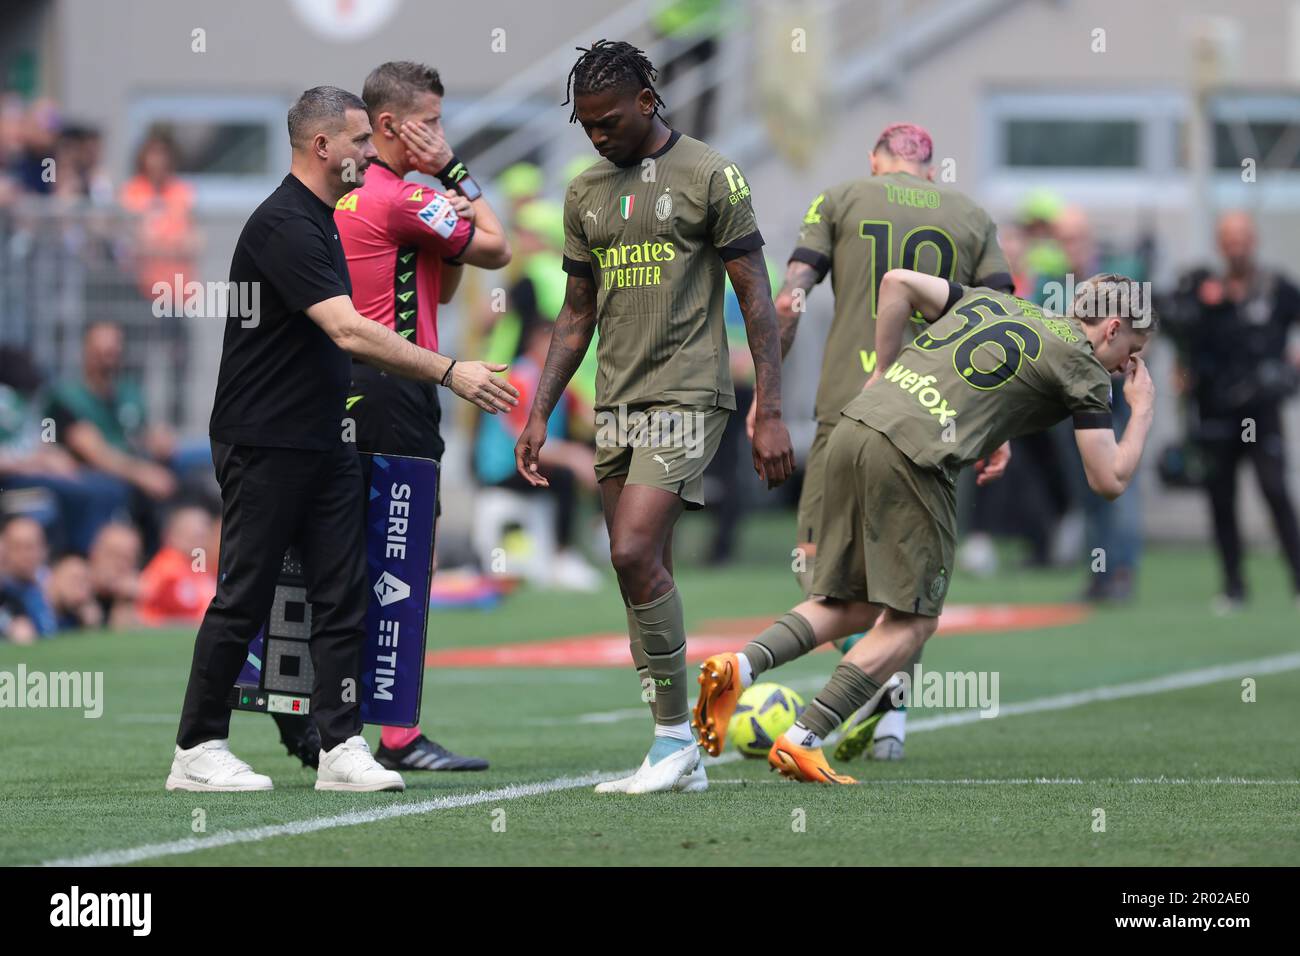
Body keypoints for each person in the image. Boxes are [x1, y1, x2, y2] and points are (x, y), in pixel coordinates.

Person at [167, 86, 518, 795]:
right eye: (358, 141)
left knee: (342, 592)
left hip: (322, 439)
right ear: (321, 146)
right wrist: (453, 371)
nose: (368, 152)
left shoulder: (323, 218)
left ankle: (341, 748)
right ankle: (197, 749)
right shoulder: (285, 224)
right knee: (245, 594)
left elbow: (440, 282)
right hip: (263, 440)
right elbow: (350, 330)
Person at [694, 270, 1156, 783]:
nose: (1127, 369)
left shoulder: (1001, 304)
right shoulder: (1085, 366)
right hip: (914, 455)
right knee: (913, 623)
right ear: (1112, 328)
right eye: (1132, 354)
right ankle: (804, 738)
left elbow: (894, 283)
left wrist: (883, 373)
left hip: (858, 425)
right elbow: (1108, 478)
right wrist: (1142, 412)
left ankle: (741, 666)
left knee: (849, 604)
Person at [516, 40, 794, 795]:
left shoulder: (711, 174)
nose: (597, 135)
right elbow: (575, 316)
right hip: (615, 400)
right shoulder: (583, 194)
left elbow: (756, 299)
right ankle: (676, 749)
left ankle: (676, 740)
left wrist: (770, 407)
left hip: (688, 394)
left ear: (647, 100)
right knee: (642, 573)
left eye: (607, 121)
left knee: (632, 551)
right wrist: (538, 413)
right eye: (585, 126)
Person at [766, 121, 1012, 761]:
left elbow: (791, 298)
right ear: (930, 169)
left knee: (816, 566)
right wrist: (998, 425)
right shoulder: (972, 215)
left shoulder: (841, 197)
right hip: (939, 417)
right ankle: (893, 715)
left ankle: (862, 684)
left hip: (851, 406)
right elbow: (1007, 326)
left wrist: (766, 396)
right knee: (911, 582)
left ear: (876, 162)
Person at [327, 59, 510, 772]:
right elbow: (497, 247)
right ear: (388, 125)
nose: (439, 134)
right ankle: (398, 736)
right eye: (429, 123)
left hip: (339, 387)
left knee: (345, 556)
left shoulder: (343, 195)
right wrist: (458, 175)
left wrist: (445, 217)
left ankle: (325, 726)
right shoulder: (401, 195)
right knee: (401, 557)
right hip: (398, 390)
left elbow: (441, 275)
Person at [1170, 211, 1300, 610]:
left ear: (1254, 239)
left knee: (1275, 492)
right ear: (1220, 243)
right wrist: (1183, 370)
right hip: (1215, 413)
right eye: (1228, 237)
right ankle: (1233, 586)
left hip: (1260, 411)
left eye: (1242, 236)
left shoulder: (1276, 288)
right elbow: (1181, 333)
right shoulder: (1205, 291)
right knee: (1220, 498)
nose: (1236, 244)